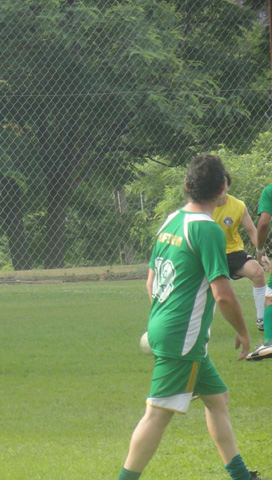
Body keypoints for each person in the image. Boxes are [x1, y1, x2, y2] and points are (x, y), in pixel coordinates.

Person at [117, 154, 264, 480]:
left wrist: (165, 319)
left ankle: (241, 476)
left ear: (187, 186)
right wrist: (244, 332)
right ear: (223, 188)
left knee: (218, 399)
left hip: (164, 326)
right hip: (182, 337)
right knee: (156, 416)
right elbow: (223, 295)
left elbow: (151, 282)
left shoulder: (171, 220)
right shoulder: (208, 230)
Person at [212, 172, 266, 331]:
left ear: (227, 186)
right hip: (211, 253)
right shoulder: (204, 206)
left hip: (233, 252)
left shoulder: (238, 206)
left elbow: (251, 230)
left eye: (223, 185)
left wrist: (261, 252)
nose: (220, 188)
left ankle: (262, 319)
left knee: (257, 272)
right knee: (203, 288)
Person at [247, 181, 272, 360]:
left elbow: (263, 223)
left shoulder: (269, 191)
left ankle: (269, 343)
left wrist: (259, 249)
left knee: (270, 298)